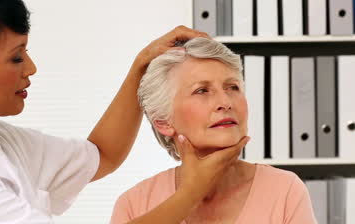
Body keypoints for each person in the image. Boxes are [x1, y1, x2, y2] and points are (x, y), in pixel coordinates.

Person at [0, 0, 241, 224]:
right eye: (16, 57)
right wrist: (192, 190)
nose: (32, 68)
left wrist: (140, 66)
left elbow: (100, 155)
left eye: (232, 86)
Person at [111, 37, 317, 224]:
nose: (225, 102)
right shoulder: (135, 204)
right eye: (202, 90)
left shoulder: (285, 190)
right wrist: (191, 192)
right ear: (163, 121)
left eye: (232, 87)